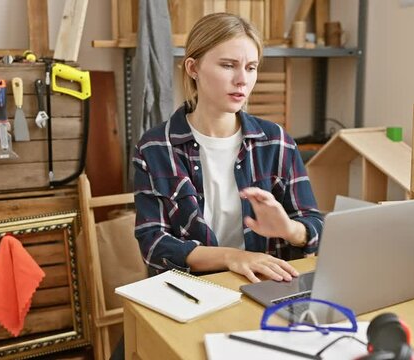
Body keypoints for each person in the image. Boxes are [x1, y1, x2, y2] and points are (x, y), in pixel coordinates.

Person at [133, 12, 323, 284]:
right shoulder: (154, 148)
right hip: (191, 291)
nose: (242, 80)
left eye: (251, 67)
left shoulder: (277, 142)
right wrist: (231, 257)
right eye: (228, 65)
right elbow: (154, 245)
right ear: (193, 68)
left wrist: (290, 229)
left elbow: (315, 225)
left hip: (265, 287)